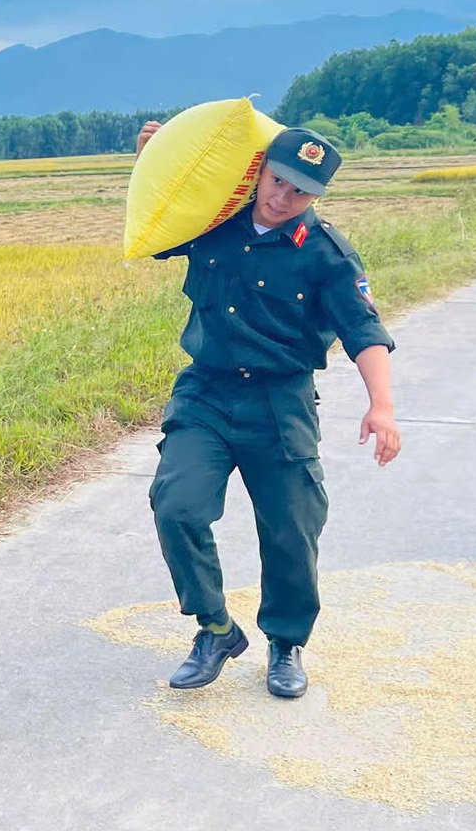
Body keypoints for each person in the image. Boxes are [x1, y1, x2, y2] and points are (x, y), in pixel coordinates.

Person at [133, 123, 400, 699]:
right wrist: (155, 157)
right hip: (205, 393)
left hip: (281, 402)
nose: (282, 198)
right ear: (258, 171)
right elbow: (156, 224)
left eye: (299, 192)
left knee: (291, 529)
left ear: (316, 197)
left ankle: (286, 642)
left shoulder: (326, 252)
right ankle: (215, 629)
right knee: (176, 505)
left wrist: (382, 406)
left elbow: (363, 329)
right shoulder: (213, 220)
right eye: (277, 181)